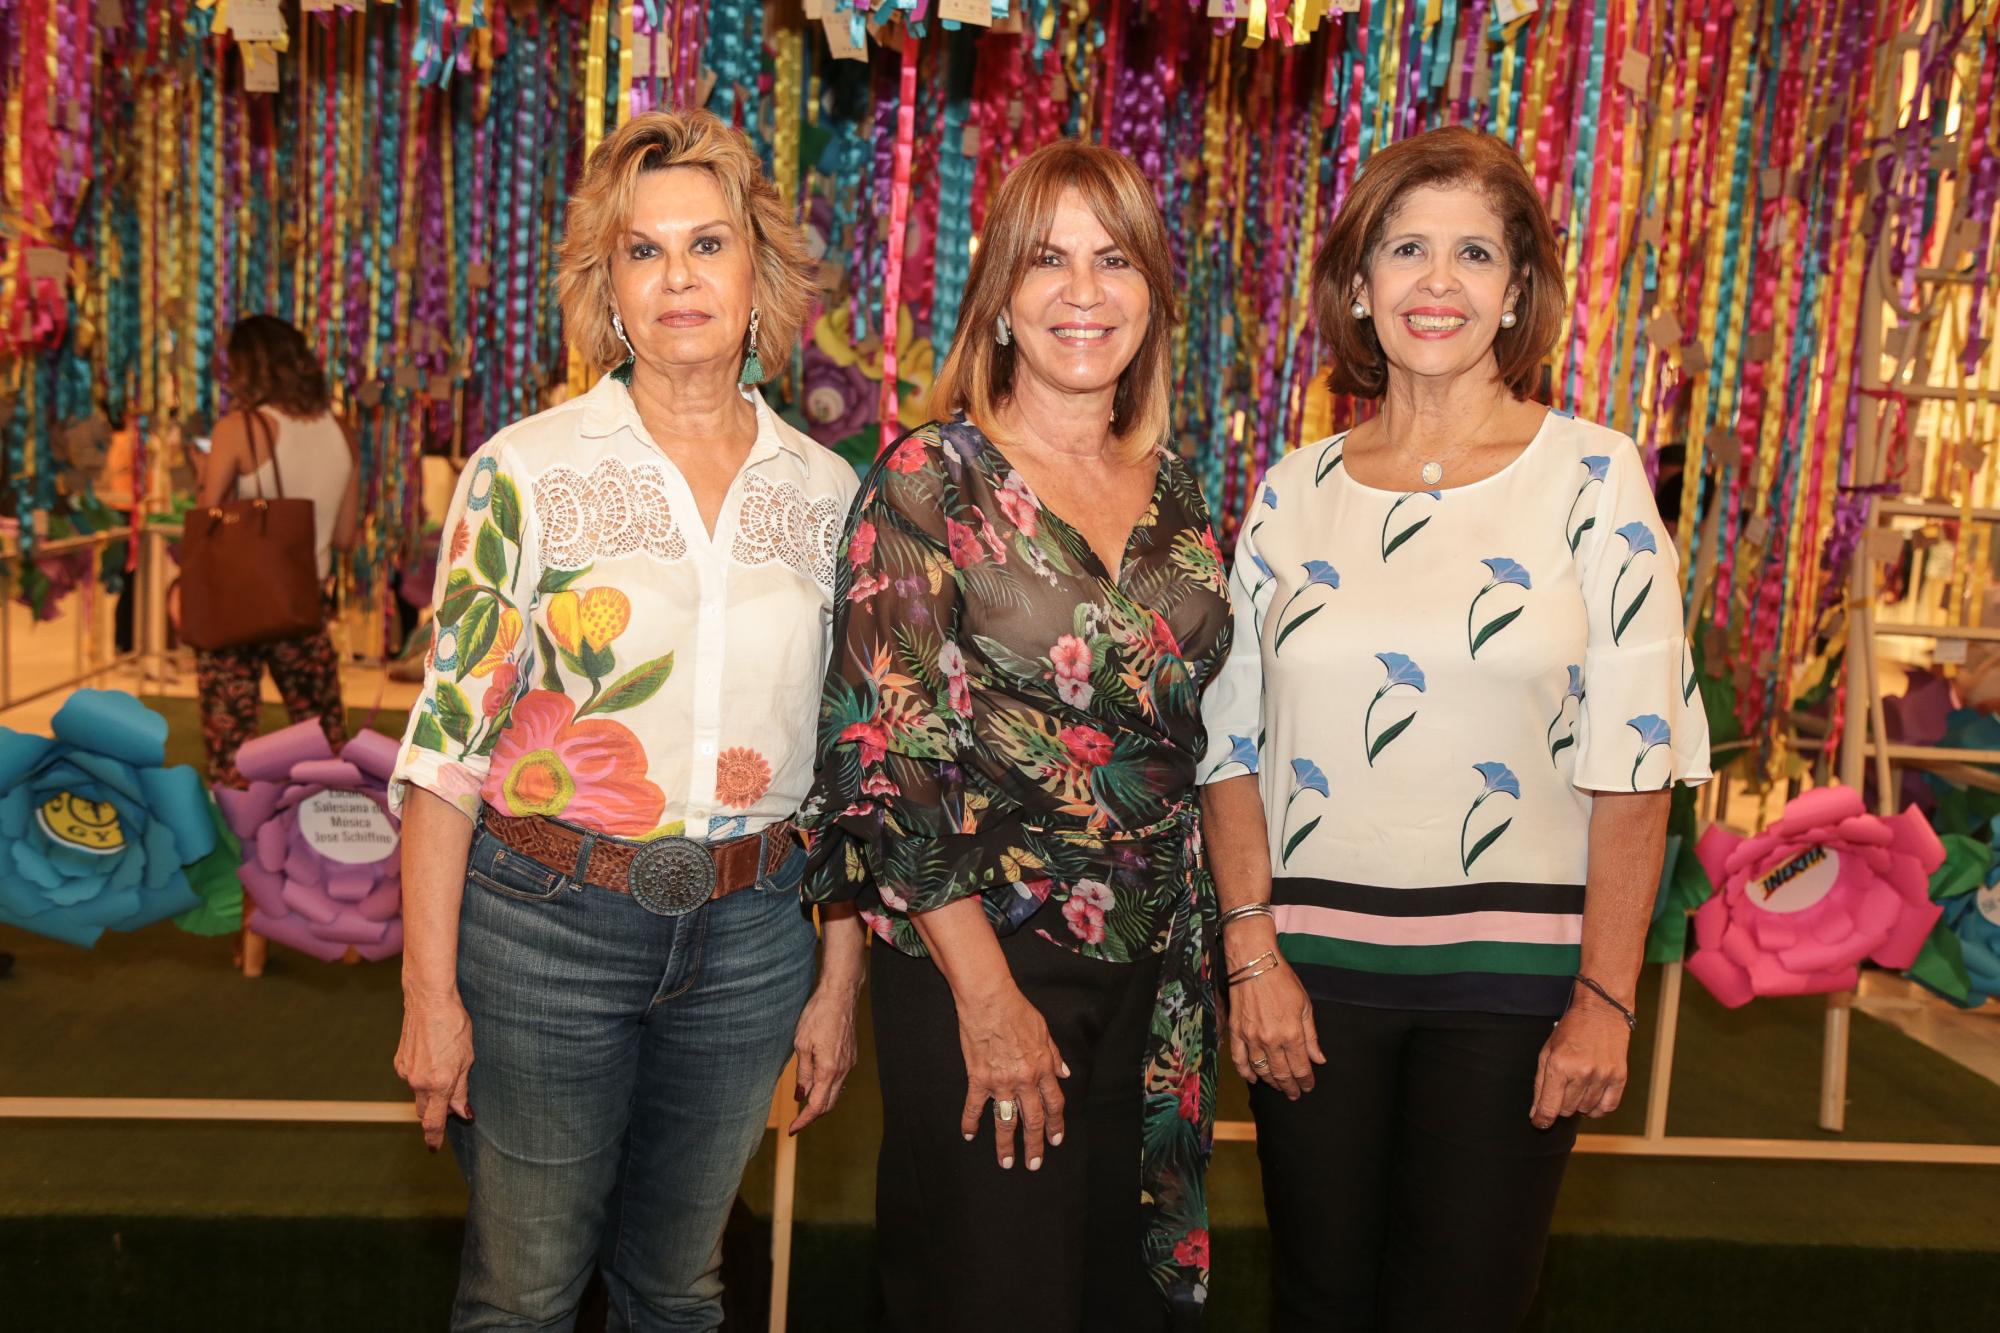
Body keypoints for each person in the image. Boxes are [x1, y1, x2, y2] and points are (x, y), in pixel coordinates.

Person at [1197, 125, 1711, 1332]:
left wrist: (1605, 997)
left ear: (1515, 289)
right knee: (1317, 1300)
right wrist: (1250, 954)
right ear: (1358, 286)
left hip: (1518, 988)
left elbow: (1634, 761)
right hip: (1310, 983)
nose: (1437, 282)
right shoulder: (1291, 488)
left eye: (1472, 253)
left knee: (1463, 1306)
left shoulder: (1594, 476)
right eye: (1405, 248)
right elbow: (1227, 743)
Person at [388, 109, 864, 1331]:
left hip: (755, 940)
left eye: (707, 244)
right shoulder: (525, 470)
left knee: (679, 1288)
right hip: (544, 931)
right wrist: (428, 997)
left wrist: (838, 976)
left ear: (758, 270)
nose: (678, 278)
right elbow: (445, 752)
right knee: (524, 1293)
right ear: (607, 289)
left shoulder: (830, 492)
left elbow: (852, 766)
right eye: (642, 253)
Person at [799, 140, 1232, 1333]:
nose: (1082, 293)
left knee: (1115, 1298)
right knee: (990, 1298)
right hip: (976, 962)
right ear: (998, 294)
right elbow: (880, 765)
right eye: (1047, 259)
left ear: (1150, 292)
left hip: (1156, 974)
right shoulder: (926, 479)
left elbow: (1203, 739)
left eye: (1112, 260)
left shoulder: (1184, 493)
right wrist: (984, 999)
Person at [193, 315, 359, 787]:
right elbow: (347, 536)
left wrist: (205, 471)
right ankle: (321, 841)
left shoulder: (241, 429)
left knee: (232, 746)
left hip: (236, 608)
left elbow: (209, 516)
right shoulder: (343, 432)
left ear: (246, 368)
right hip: (304, 601)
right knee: (324, 734)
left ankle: (240, 840)